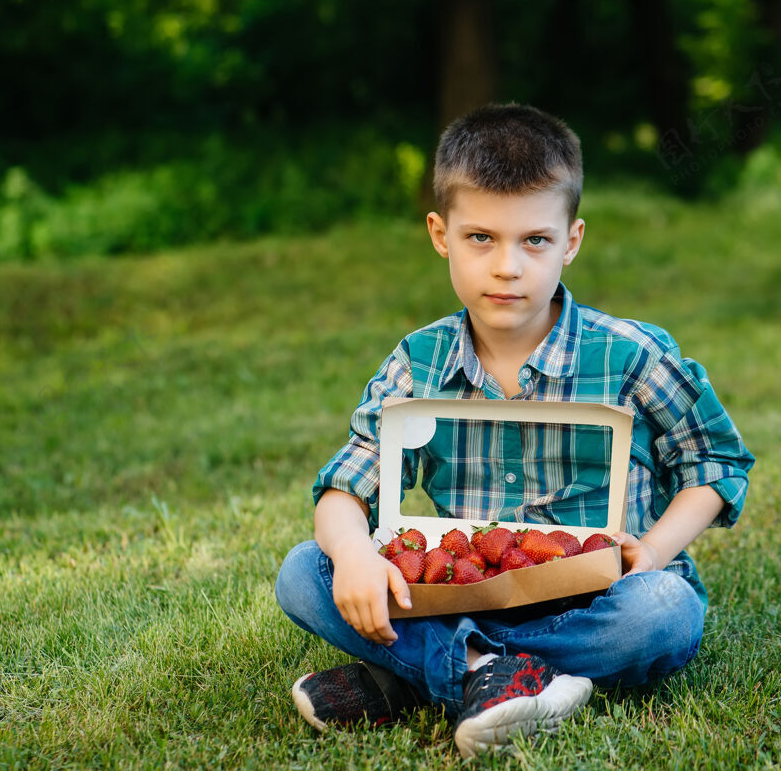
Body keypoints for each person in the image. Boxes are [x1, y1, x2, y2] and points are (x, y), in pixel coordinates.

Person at [273, 103, 755, 757]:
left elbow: (714, 461)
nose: (508, 266)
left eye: (535, 240)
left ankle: (421, 676)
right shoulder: (419, 362)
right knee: (304, 571)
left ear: (572, 240)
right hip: (452, 590)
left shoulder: (632, 354)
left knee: (667, 610)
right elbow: (348, 482)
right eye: (482, 239)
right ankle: (493, 676)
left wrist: (656, 548)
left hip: (594, 600)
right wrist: (355, 555)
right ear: (441, 234)